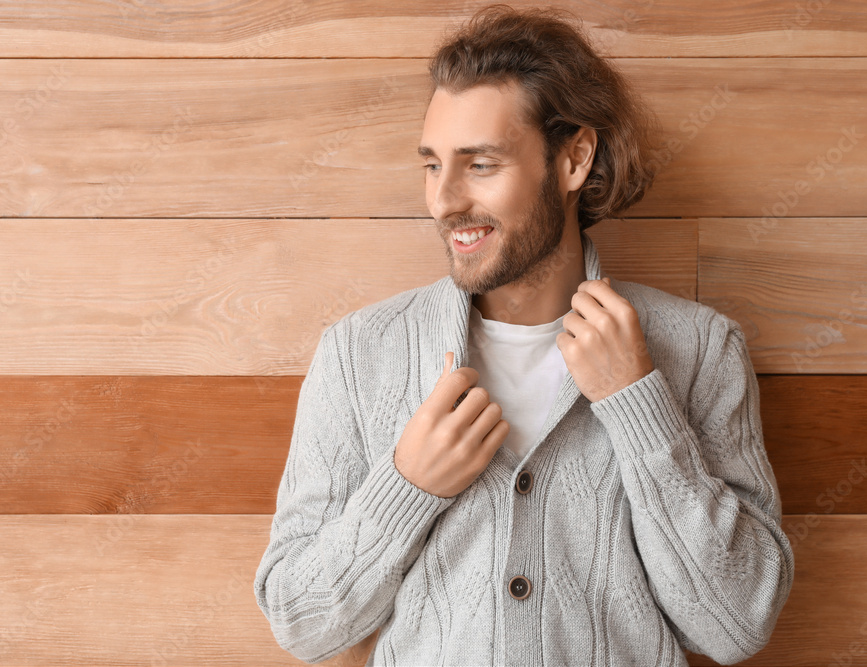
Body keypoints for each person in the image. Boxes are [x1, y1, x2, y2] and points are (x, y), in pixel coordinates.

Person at [255, 5, 794, 665]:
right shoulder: (358, 353)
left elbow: (739, 623)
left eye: (479, 165)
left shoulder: (701, 348)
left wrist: (640, 406)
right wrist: (407, 486)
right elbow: (300, 622)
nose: (444, 200)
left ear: (573, 159)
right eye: (432, 165)